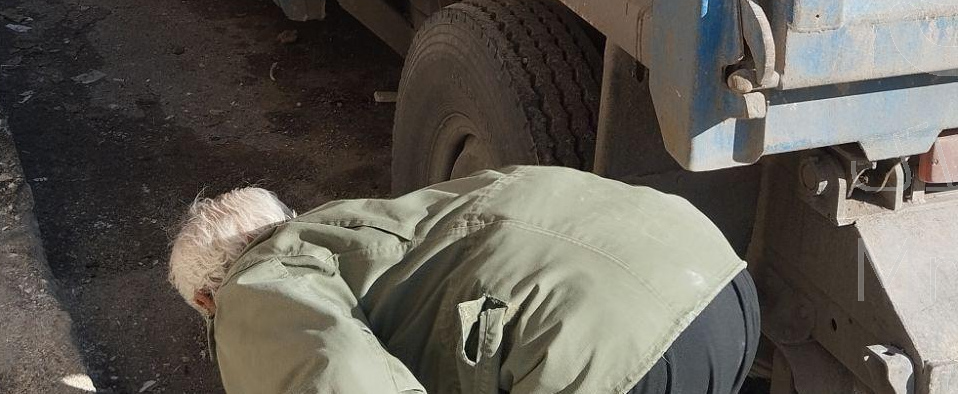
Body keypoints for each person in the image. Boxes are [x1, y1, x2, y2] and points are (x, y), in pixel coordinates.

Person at [169, 165, 760, 394]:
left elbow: (341, 376)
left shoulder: (254, 284)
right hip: (718, 288)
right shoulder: (370, 225)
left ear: (205, 297)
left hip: (603, 357)